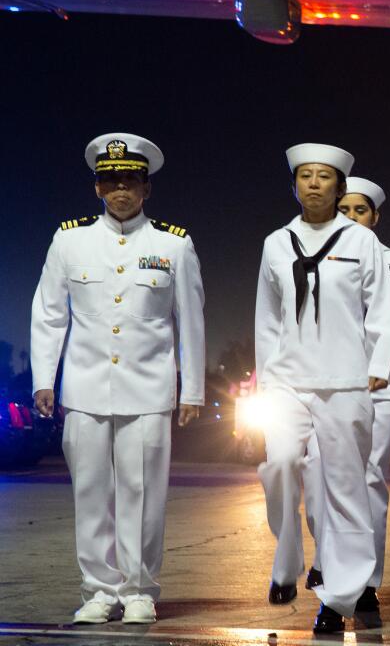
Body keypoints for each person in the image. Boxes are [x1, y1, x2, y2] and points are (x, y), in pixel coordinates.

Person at [30, 133, 205, 625]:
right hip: (84, 389)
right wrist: (45, 378)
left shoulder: (173, 243)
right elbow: (48, 314)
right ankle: (99, 590)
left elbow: (190, 320)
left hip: (149, 391)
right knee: (90, 492)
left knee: (143, 492)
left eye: (130, 181)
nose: (121, 190)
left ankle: (139, 589)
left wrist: (190, 389)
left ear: (147, 188)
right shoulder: (70, 239)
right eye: (111, 181)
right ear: (97, 189)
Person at [254, 144, 390, 634]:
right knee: (279, 463)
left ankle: (339, 598)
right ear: (293, 186)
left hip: (345, 381)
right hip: (288, 380)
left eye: (324, 177)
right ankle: (289, 551)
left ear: (339, 189)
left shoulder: (361, 242)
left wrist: (378, 364)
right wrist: (265, 375)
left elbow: (382, 309)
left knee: (344, 491)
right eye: (305, 176)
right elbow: (267, 318)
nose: (314, 184)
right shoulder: (276, 243)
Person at [298, 176, 390, 614]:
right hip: (323, 385)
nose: (353, 217)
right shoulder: (315, 255)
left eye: (361, 211)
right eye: (346, 209)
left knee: (369, 479)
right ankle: (328, 558)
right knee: (317, 475)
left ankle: (366, 580)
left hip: (383, 386)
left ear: (376, 217)